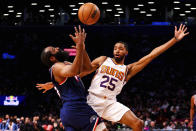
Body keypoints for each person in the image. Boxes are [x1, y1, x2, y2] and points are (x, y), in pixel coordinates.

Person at [38, 24, 189, 131]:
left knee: (138, 124)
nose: (117, 50)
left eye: (121, 48)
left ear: (126, 53)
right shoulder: (103, 59)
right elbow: (81, 73)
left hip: (110, 103)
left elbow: (151, 55)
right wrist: (54, 84)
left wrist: (174, 40)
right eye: (115, 48)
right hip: (91, 101)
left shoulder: (127, 69)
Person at [37, 25, 106, 131]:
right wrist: (79, 49)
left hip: (72, 111)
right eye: (54, 49)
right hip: (77, 108)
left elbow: (87, 68)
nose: (57, 48)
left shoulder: (64, 64)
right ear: (52, 58)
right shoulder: (56, 67)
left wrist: (82, 48)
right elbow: (75, 70)